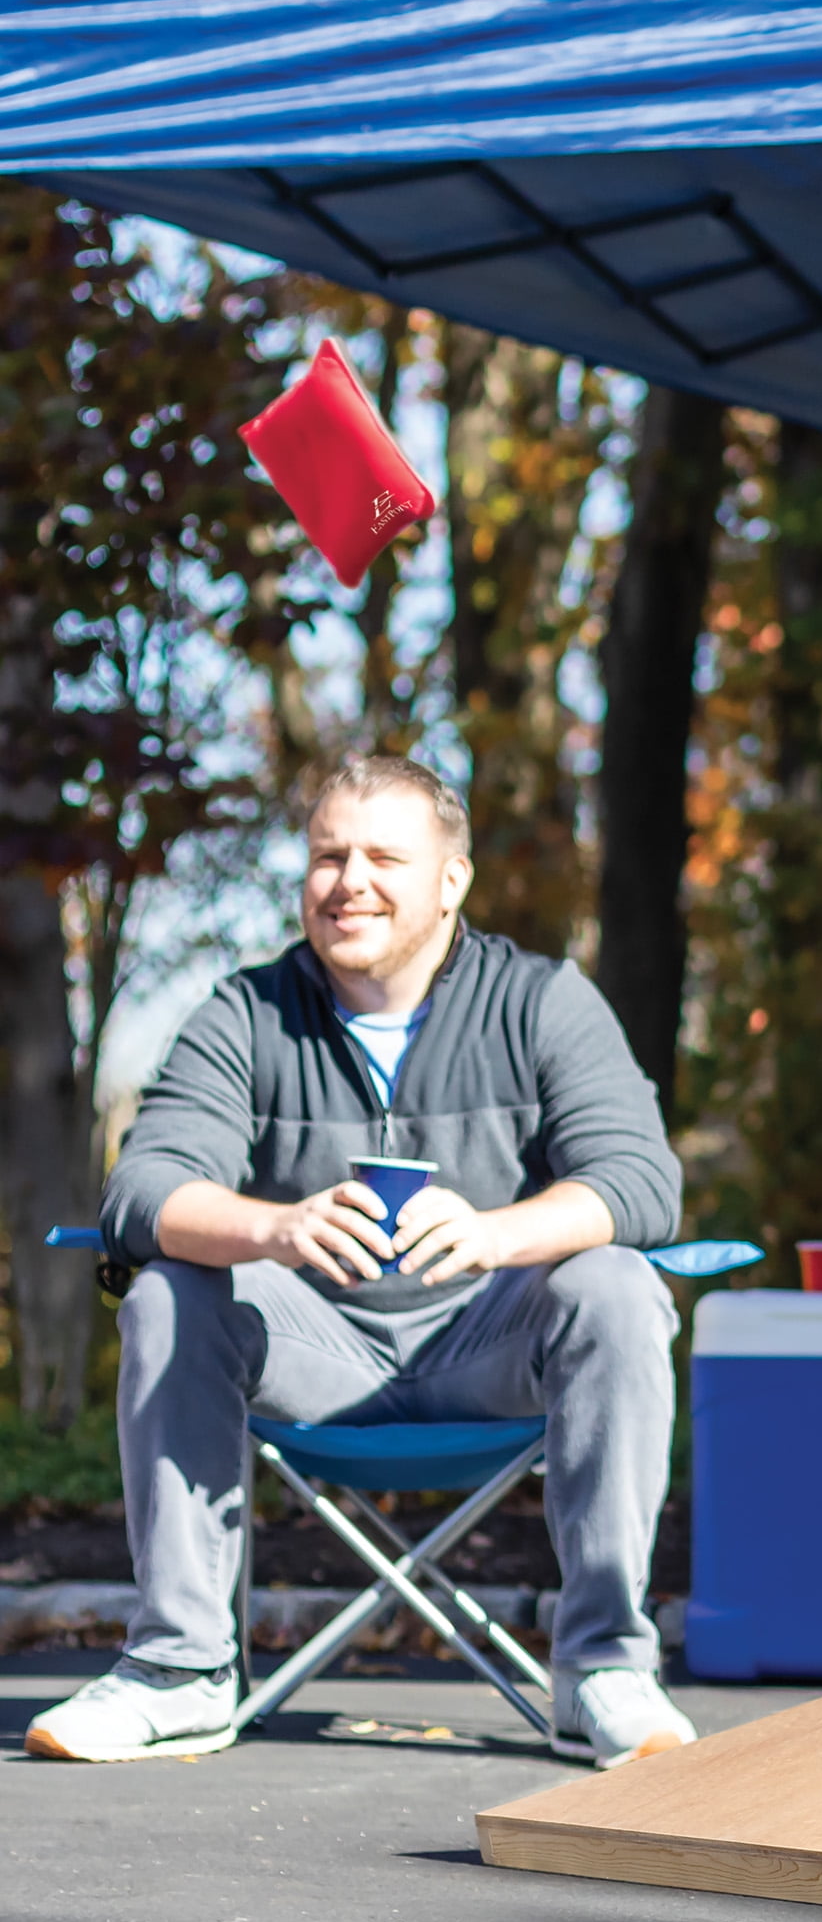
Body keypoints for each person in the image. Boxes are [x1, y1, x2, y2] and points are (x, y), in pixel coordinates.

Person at [27, 754, 694, 1771]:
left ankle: (604, 1669)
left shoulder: (543, 1000)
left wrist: (497, 1232)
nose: (351, 881)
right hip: (313, 1347)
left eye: (385, 855)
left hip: (488, 1341)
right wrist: (275, 1229)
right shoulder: (247, 1014)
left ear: (452, 880)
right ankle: (181, 1670)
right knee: (167, 1288)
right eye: (329, 855)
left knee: (616, 1283)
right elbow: (141, 1190)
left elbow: (642, 1184)